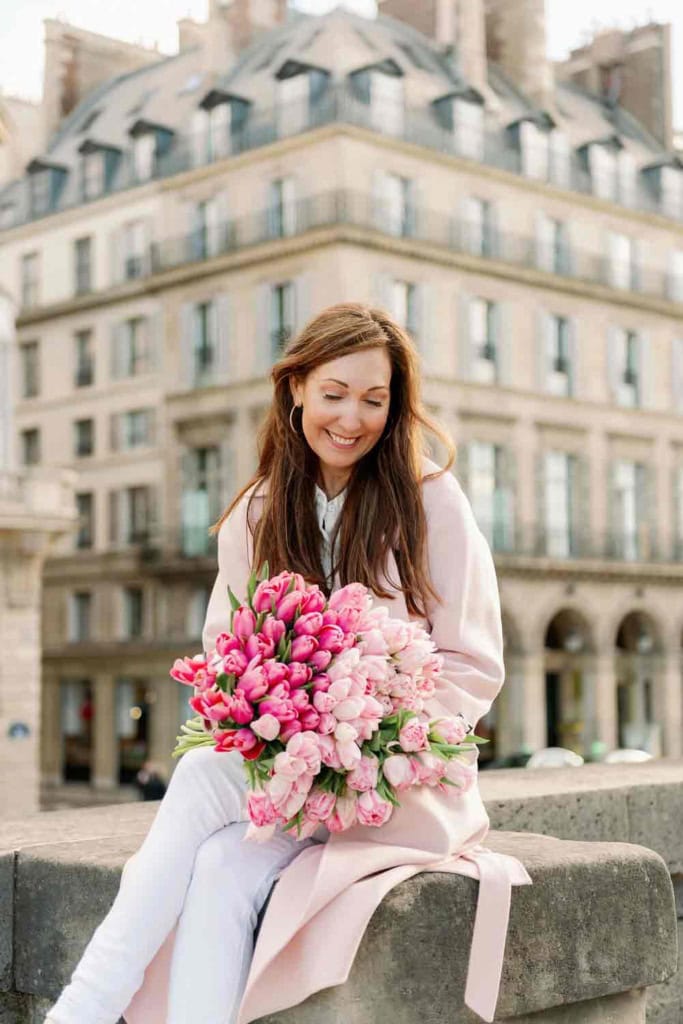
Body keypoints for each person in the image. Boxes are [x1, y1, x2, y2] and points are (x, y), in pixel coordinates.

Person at [45, 302, 530, 1024]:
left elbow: (472, 664)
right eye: (334, 393)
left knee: (198, 776)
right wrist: (283, 732)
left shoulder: (432, 500)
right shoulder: (257, 510)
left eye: (374, 399)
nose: (352, 418)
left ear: (395, 406)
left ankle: (81, 1010)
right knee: (217, 868)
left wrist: (369, 744)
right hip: (286, 777)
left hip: (397, 789)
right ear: (295, 387)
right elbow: (227, 657)